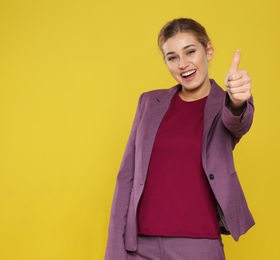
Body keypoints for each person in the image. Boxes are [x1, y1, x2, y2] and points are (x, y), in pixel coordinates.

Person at [105, 18, 255, 260]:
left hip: (198, 245)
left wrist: (238, 100)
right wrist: (114, 251)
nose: (183, 64)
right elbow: (126, 178)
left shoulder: (224, 105)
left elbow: (237, 121)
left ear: (208, 50)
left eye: (190, 52)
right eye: (172, 57)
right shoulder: (149, 103)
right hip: (139, 246)